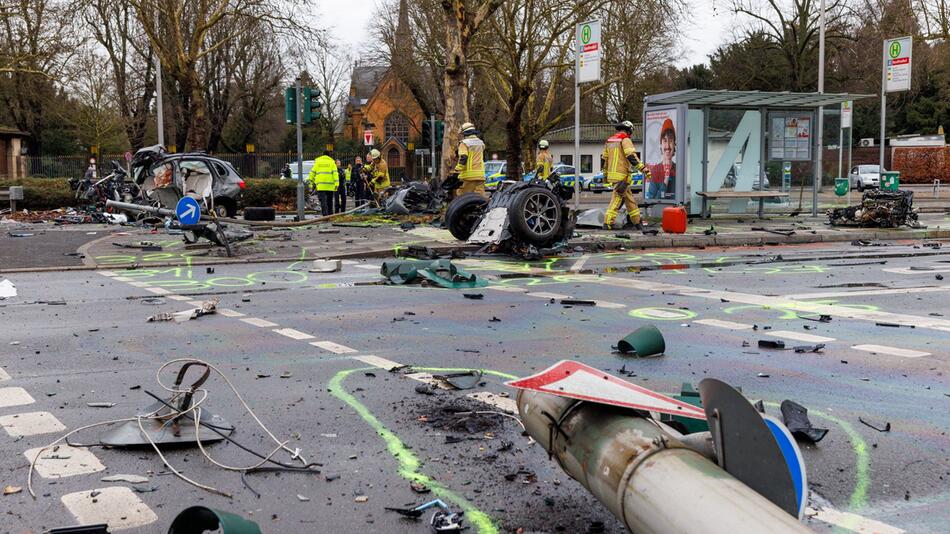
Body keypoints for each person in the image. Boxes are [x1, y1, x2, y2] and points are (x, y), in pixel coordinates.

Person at [602, 120, 650, 230]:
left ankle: (637, 222)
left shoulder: (609, 141)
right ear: (629, 130)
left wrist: (605, 177)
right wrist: (643, 169)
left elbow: (605, 160)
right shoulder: (625, 139)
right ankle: (607, 223)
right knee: (617, 199)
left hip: (613, 176)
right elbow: (631, 156)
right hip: (622, 176)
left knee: (629, 199)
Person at [453, 122, 486, 197]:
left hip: (468, 176)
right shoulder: (481, 143)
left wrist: (457, 170)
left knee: (463, 198)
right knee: (480, 198)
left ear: (464, 133)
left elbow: (463, 157)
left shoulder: (464, 143)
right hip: (480, 175)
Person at [647, 118, 676, 199]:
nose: (667, 146)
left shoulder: (679, 170)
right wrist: (665, 181)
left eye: (670, 141)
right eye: (665, 141)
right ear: (660, 145)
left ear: (674, 145)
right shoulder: (656, 171)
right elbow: (653, 200)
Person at [307, 151, 338, 216]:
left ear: (322, 155)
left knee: (323, 201)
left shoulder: (318, 162)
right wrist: (336, 183)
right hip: (330, 186)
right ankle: (330, 214)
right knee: (329, 201)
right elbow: (335, 173)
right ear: (329, 155)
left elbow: (312, 172)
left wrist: (310, 183)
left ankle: (325, 215)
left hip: (321, 186)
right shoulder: (332, 162)